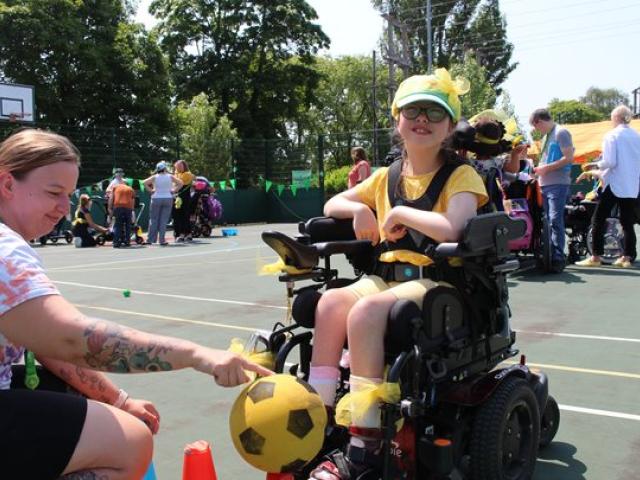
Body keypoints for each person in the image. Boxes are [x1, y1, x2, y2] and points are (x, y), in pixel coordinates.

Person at [0, 129, 272, 479]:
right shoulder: (7, 248)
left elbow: (48, 346)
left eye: (68, 195)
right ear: (7, 184)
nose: (63, 208)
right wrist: (196, 354)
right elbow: (68, 338)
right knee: (131, 443)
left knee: (80, 402)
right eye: (54, 192)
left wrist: (119, 400)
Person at [307, 69, 488, 479]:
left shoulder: (462, 176)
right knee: (331, 301)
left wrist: (402, 212)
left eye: (434, 113)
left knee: (365, 313)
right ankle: (318, 416)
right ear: (397, 120)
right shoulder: (384, 177)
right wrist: (358, 208)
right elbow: (334, 201)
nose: (422, 118)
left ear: (449, 128)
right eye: (412, 111)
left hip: (437, 279)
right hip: (389, 276)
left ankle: (363, 443)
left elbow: (455, 227)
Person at [575, 105, 640, 268]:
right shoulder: (636, 136)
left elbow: (610, 162)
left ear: (616, 118)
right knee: (627, 222)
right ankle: (627, 257)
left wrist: (593, 164)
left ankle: (596, 256)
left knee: (597, 219)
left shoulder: (612, 135)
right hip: (631, 185)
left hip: (614, 183)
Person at [530, 108, 575, 272]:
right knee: (548, 220)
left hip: (557, 183)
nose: (536, 130)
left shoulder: (561, 133)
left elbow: (569, 158)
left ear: (539, 121)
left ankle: (557, 256)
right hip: (545, 183)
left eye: (535, 127)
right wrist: (539, 172)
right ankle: (550, 254)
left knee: (555, 220)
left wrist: (545, 169)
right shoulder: (546, 136)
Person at [143, 161, 183, 246]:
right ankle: (162, 240)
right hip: (168, 198)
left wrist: (151, 191)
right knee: (163, 220)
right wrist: (174, 190)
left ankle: (150, 239)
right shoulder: (170, 176)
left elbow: (144, 183)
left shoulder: (155, 177)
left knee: (153, 219)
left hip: (156, 198)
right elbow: (181, 183)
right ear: (165, 168)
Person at [172, 159, 195, 242]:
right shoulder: (176, 174)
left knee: (184, 216)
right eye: (176, 166)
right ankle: (178, 234)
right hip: (176, 198)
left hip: (184, 199)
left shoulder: (187, 174)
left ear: (184, 166)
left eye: (180, 166)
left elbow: (179, 182)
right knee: (176, 216)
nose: (178, 167)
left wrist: (174, 176)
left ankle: (186, 234)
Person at [108, 181, 136, 248]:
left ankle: (116, 242)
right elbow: (133, 200)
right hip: (128, 207)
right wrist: (132, 210)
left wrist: (109, 208)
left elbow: (111, 198)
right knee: (128, 225)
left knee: (118, 224)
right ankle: (127, 241)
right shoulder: (130, 189)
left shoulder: (115, 187)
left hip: (118, 206)